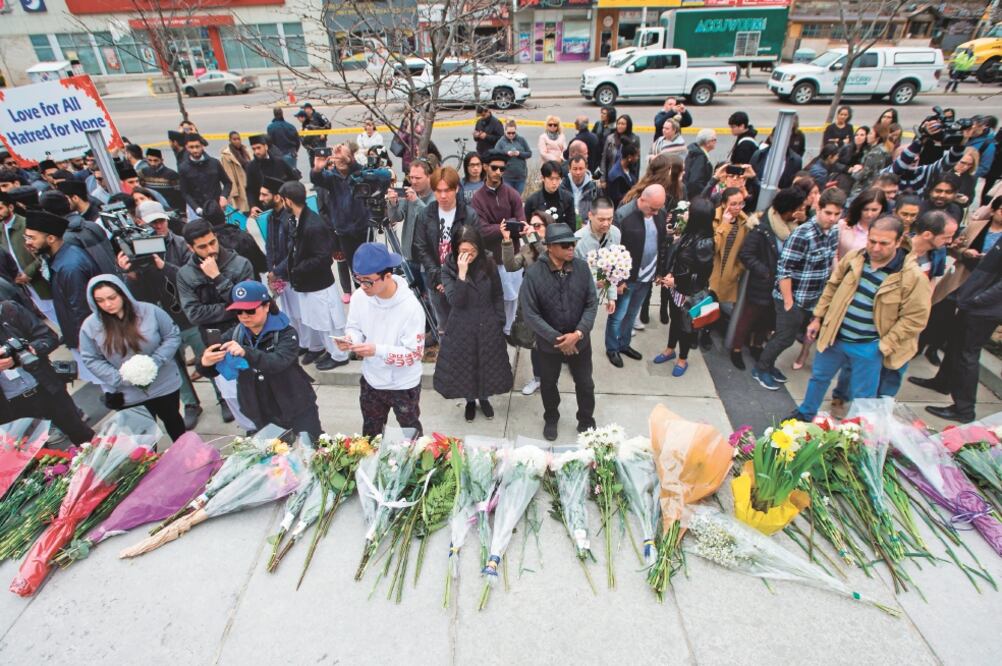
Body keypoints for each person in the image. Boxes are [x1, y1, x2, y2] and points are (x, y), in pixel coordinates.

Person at [789, 216, 930, 421]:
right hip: (835, 337)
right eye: (872, 241)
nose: (875, 248)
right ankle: (805, 413)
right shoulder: (855, 258)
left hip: (869, 346)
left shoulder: (912, 276)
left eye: (884, 243)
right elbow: (832, 286)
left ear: (899, 242)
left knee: (863, 397)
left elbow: (915, 318)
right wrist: (818, 317)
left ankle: (856, 433)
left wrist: (884, 345)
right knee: (819, 378)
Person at [118, 200, 207, 429]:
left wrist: (163, 266)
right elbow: (136, 297)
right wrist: (130, 275)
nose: (158, 226)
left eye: (161, 220)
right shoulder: (134, 249)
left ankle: (221, 397)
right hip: (159, 321)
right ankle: (190, 403)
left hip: (186, 316)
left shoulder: (180, 244)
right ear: (139, 223)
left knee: (205, 357)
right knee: (174, 365)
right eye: (152, 222)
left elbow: (193, 277)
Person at [198, 280, 322, 438]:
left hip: (295, 405)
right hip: (261, 410)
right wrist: (205, 362)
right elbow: (209, 365)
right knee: (277, 457)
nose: (244, 317)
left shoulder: (286, 333)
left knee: (314, 445)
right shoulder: (235, 334)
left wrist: (246, 352)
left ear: (266, 306)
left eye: (250, 311)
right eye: (239, 312)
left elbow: (278, 362)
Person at [752, 188, 844, 391]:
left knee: (788, 337)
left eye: (837, 214)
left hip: (813, 297)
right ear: (818, 209)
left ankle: (769, 366)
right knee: (784, 338)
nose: (832, 218)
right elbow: (784, 269)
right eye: (828, 213)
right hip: (793, 298)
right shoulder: (803, 234)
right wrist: (788, 302)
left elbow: (832, 257)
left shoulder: (834, 231)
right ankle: (761, 369)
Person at [79, 276, 186, 441]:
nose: (107, 304)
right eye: (100, 300)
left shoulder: (150, 311)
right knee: (142, 437)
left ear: (122, 294)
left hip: (163, 384)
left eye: (112, 298)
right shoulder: (90, 326)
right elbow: (91, 359)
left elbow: (172, 335)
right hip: (128, 393)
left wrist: (156, 361)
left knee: (174, 422)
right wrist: (119, 378)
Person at [337, 243, 426, 438]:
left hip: (404, 385)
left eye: (368, 281)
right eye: (358, 279)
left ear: (387, 275)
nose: (362, 286)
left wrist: (377, 350)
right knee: (370, 435)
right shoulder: (360, 298)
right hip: (371, 380)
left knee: (411, 435)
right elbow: (354, 327)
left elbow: (414, 354)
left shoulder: (411, 308)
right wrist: (351, 340)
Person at [520, 223, 598, 441]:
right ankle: (551, 418)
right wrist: (559, 339)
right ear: (550, 247)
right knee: (548, 385)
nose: (571, 248)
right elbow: (530, 314)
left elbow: (592, 303)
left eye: (572, 243)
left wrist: (578, 334)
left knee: (585, 384)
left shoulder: (582, 268)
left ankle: (586, 419)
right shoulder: (534, 274)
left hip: (580, 343)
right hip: (549, 346)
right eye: (565, 245)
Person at [433, 225, 513, 421]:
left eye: (473, 251)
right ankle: (470, 401)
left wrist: (499, 320)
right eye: (464, 251)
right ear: (456, 249)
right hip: (462, 325)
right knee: (467, 366)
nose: (469, 255)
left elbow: (497, 293)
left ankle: (484, 398)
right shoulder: (449, 268)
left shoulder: (488, 262)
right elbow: (456, 301)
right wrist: (461, 273)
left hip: (487, 322)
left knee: (486, 364)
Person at [731, 188, 808, 370]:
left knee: (767, 319)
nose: (800, 212)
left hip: (781, 285)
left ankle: (757, 345)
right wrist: (765, 272)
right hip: (762, 283)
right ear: (787, 209)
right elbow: (746, 254)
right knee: (748, 317)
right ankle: (736, 349)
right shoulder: (762, 227)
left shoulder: (794, 228)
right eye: (798, 208)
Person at [22, 209, 102, 383]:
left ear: (51, 238)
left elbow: (81, 307)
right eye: (26, 238)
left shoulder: (70, 266)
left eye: (32, 238)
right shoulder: (60, 258)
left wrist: (84, 340)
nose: (28, 243)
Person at [0, 299, 94, 445]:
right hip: (13, 405)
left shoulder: (9, 311)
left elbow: (48, 337)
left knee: (83, 436)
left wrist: (28, 351)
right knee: (36, 454)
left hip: (46, 387)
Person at [281, 181, 350, 371]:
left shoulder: (313, 224)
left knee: (330, 322)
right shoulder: (298, 219)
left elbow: (323, 258)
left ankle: (340, 354)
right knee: (319, 322)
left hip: (319, 285)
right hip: (308, 284)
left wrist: (298, 268)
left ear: (288, 201)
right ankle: (330, 350)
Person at [606, 185, 666, 368]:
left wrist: (659, 271)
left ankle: (624, 344)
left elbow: (661, 244)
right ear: (643, 200)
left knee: (632, 314)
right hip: (627, 279)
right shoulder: (623, 216)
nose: (656, 213)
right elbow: (613, 250)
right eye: (653, 208)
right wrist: (618, 280)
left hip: (647, 277)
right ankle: (612, 348)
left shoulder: (659, 213)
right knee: (617, 316)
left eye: (659, 208)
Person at [654, 197, 715, 376]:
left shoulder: (705, 243)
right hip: (677, 290)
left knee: (687, 328)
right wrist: (670, 274)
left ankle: (682, 358)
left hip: (689, 293)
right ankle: (670, 348)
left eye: (690, 212)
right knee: (675, 321)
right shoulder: (689, 234)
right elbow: (678, 259)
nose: (685, 213)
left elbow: (701, 275)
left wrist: (677, 281)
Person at [413, 166, 478, 335]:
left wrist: (455, 278)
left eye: (447, 190)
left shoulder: (469, 215)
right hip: (436, 282)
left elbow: (476, 248)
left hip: (463, 278)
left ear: (456, 188)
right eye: (438, 191)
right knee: (444, 327)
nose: (443, 196)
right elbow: (421, 247)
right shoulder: (426, 214)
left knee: (466, 325)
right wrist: (439, 278)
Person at [471, 150, 526, 335]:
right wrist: (503, 228)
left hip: (514, 258)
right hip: (491, 259)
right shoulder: (478, 198)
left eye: (502, 169)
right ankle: (494, 328)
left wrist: (509, 228)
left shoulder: (512, 194)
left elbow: (521, 223)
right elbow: (481, 229)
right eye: (494, 168)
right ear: (486, 167)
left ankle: (508, 330)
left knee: (513, 298)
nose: (498, 172)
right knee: (493, 297)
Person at [311, 143, 369, 277]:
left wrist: (348, 159)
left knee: (368, 267)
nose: (341, 161)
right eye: (337, 159)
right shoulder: (331, 177)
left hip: (363, 229)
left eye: (344, 158)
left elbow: (363, 172)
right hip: (344, 232)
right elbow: (317, 178)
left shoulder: (358, 173)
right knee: (355, 270)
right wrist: (317, 169)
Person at [0, 191, 53, 324]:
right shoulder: (2, 229)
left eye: (0, 208)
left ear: (10, 207)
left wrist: (28, 273)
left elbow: (44, 252)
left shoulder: (26, 225)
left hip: (41, 280)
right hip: (24, 284)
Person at [387, 159, 435, 290]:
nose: (413, 181)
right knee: (414, 297)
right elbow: (396, 217)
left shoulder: (437, 195)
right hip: (410, 256)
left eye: (418, 178)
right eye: (411, 177)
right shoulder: (410, 192)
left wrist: (416, 201)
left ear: (429, 177)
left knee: (430, 301)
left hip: (428, 261)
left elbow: (432, 221)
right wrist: (393, 203)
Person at [199, 200, 267, 276]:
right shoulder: (243, 236)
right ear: (223, 216)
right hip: (250, 280)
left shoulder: (204, 247)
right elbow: (262, 264)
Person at [709, 187, 749, 308]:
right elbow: (712, 248)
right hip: (710, 274)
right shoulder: (713, 218)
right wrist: (724, 225)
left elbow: (745, 250)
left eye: (741, 203)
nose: (737, 207)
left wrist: (738, 269)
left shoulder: (744, 223)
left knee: (722, 313)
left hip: (729, 276)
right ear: (723, 204)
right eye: (733, 204)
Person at [178, 134, 231, 219]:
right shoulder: (183, 168)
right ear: (186, 148)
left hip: (217, 208)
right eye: (191, 147)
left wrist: (224, 196)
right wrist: (196, 208)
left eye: (197, 146)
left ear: (202, 146)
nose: (195, 150)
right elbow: (185, 192)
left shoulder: (214, 163)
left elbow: (227, 183)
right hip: (199, 211)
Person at [244, 134, 298, 211]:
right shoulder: (251, 167)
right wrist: (253, 206)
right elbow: (250, 190)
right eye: (254, 149)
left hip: (284, 205)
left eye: (259, 148)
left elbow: (293, 180)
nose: (256, 151)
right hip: (263, 208)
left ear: (265, 146)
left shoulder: (279, 162)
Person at [524, 160, 576, 228]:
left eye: (557, 179)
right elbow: (528, 226)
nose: (554, 183)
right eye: (551, 179)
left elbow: (572, 227)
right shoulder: (532, 201)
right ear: (542, 178)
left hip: (562, 237)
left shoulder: (568, 198)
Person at [839, 188, 887, 259]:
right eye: (865, 209)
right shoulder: (843, 225)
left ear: (882, 209)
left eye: (874, 210)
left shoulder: (887, 230)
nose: (869, 214)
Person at [494, 120, 532, 194]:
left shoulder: (521, 140)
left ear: (516, 131)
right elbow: (495, 154)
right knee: (509, 197)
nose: (511, 135)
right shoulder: (501, 142)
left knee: (517, 198)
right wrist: (506, 153)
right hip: (507, 177)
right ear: (505, 131)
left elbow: (529, 153)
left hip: (521, 176)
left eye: (513, 133)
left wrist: (519, 154)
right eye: (509, 133)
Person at [601, 114, 639, 185]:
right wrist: (602, 178)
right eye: (618, 123)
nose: (620, 126)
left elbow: (637, 164)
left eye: (623, 124)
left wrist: (636, 182)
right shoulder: (610, 139)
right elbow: (604, 159)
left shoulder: (634, 139)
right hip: (612, 177)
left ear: (628, 125)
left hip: (627, 178)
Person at [219, 131, 251, 213]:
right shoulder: (226, 155)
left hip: (248, 183)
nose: (237, 141)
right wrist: (234, 192)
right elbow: (228, 174)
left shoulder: (244, 151)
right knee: (242, 211)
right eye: (234, 139)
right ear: (230, 140)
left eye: (238, 139)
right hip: (239, 187)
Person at [561, 155, 599, 223]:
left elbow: (597, 210)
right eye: (575, 169)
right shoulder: (562, 187)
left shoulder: (594, 187)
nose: (578, 172)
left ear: (586, 168)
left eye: (581, 169)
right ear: (569, 169)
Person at [605, 142, 639, 209]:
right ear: (629, 157)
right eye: (636, 156)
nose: (638, 158)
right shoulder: (615, 176)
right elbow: (616, 199)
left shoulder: (630, 166)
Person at [684, 129, 717, 197]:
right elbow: (695, 182)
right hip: (696, 198)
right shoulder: (700, 157)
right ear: (707, 143)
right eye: (714, 139)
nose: (716, 142)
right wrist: (704, 193)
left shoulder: (695, 153)